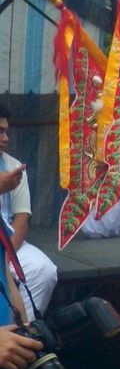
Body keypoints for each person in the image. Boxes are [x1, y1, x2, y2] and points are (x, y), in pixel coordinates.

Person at [0, 107, 58, 322]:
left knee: (43, 269)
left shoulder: (13, 167)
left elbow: (21, 220)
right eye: (0, 131)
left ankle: (23, 331)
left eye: (6, 131)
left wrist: (5, 258)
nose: (6, 138)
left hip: (9, 245)